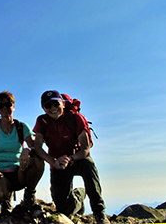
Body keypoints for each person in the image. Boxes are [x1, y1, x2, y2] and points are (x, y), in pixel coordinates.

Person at [33, 90, 110, 224]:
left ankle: (99, 214)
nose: (53, 108)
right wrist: (54, 162)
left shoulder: (75, 118)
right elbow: (38, 147)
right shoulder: (42, 121)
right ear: (43, 108)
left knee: (88, 165)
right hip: (58, 164)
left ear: (63, 103)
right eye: (48, 106)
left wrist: (71, 159)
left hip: (77, 159)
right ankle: (79, 195)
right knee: (64, 210)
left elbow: (86, 150)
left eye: (56, 104)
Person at [0, 91, 45, 216]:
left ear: (13, 106)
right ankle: (5, 202)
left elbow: (35, 146)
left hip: (20, 171)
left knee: (37, 159)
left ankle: (29, 196)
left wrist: (27, 151)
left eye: (8, 104)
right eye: (0, 105)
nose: (4, 108)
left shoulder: (21, 127)